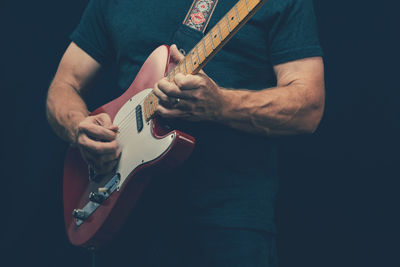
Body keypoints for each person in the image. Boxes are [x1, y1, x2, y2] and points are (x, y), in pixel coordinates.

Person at [46, 0, 324, 266]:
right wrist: (78, 127)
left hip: (226, 223)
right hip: (121, 216)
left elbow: (309, 107)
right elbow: (65, 84)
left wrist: (222, 105)